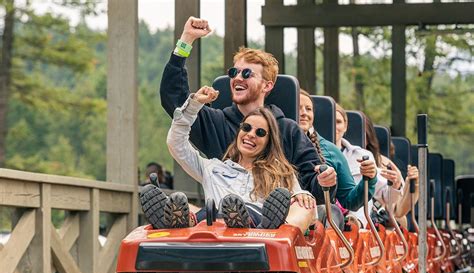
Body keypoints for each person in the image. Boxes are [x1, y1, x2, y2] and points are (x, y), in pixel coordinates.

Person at [158, 16, 336, 206]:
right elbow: (176, 102)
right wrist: (186, 41)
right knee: (195, 211)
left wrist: (324, 182)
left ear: (267, 86)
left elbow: (315, 186)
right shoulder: (215, 123)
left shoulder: (288, 131)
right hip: (222, 214)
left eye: (247, 74)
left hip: (271, 220)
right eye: (234, 73)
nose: (238, 78)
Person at [143, 86, 317, 234]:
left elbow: (300, 202)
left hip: (260, 231)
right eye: (246, 128)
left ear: (269, 142)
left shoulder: (281, 173)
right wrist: (194, 105)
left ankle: (259, 225)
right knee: (203, 210)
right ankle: (180, 220)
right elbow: (177, 143)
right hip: (216, 226)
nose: (250, 135)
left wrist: (301, 194)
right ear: (239, 131)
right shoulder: (213, 168)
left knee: (303, 205)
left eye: (260, 132)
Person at [298, 90, 377, 229]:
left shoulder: (331, 151)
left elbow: (350, 201)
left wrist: (369, 178)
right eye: (298, 107)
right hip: (281, 215)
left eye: (308, 109)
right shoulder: (269, 142)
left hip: (317, 223)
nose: (304, 112)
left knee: (329, 212)